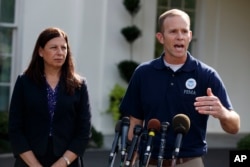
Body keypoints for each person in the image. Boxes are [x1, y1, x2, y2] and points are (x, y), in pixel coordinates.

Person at [119, 9, 240, 167]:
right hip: (148, 161)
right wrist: (129, 159)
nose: (180, 36)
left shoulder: (206, 75)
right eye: (173, 31)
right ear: (160, 37)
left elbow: (234, 127)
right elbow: (135, 122)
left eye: (184, 31)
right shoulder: (143, 73)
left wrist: (223, 113)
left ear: (190, 36)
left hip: (189, 162)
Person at [8, 27, 92, 167]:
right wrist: (35, 165)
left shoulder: (79, 85)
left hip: (67, 161)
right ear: (41, 51)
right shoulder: (24, 82)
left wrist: (63, 162)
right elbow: (15, 128)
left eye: (63, 48)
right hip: (29, 161)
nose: (60, 52)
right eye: (53, 47)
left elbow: (84, 131)